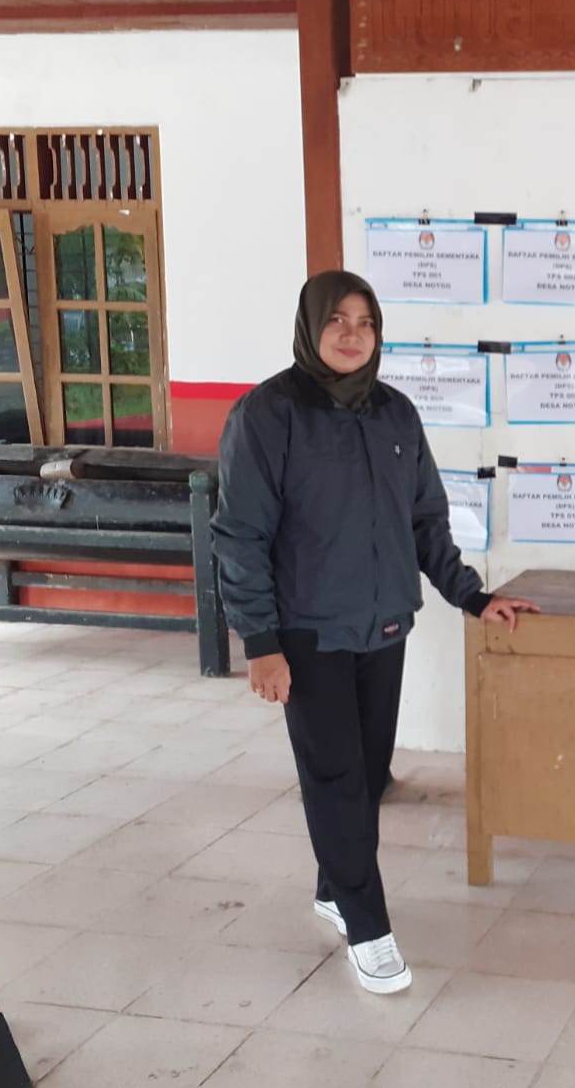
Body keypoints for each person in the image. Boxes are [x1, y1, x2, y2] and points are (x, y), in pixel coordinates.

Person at [212, 270, 538, 995]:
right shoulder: (269, 415)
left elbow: (425, 522)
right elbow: (239, 536)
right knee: (333, 779)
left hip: (384, 625)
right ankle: (368, 927)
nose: (351, 334)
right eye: (337, 320)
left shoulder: (395, 414)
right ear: (311, 327)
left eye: (365, 322)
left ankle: (335, 886)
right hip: (307, 632)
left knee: (365, 773)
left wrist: (472, 596)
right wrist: (260, 642)